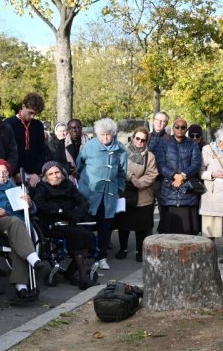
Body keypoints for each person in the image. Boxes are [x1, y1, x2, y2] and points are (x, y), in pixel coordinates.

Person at [0, 158, 46, 299]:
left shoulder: (15, 189)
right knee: (16, 223)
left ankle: (21, 286)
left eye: (5, 172)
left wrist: (29, 203)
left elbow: (33, 210)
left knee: (17, 236)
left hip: (16, 225)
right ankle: (34, 259)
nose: (2, 174)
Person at [33, 161, 96, 289]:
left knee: (88, 235)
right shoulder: (42, 187)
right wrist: (61, 211)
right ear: (46, 176)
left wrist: (76, 214)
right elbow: (40, 205)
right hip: (53, 222)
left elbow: (84, 202)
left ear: (62, 173)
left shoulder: (69, 185)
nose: (55, 176)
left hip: (71, 220)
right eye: (51, 174)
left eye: (57, 172)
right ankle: (83, 278)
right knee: (79, 235)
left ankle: (70, 272)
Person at [76, 118, 126, 270]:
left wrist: (119, 190)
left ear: (113, 134)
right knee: (86, 224)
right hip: (89, 193)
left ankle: (103, 256)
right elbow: (79, 166)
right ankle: (85, 254)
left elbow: (122, 172)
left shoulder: (120, 149)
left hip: (109, 194)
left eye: (108, 135)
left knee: (105, 226)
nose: (105, 138)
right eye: (102, 135)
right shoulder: (89, 146)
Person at [113, 126, 158, 262]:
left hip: (142, 195)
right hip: (123, 193)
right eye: (137, 138)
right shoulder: (122, 152)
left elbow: (152, 174)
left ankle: (139, 250)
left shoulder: (150, 156)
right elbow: (118, 168)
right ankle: (123, 248)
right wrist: (131, 177)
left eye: (143, 140)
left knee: (141, 227)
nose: (140, 142)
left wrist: (139, 182)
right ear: (133, 138)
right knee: (122, 224)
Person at [154, 116, 202, 235]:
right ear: (173, 128)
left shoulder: (192, 144)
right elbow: (160, 164)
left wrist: (183, 176)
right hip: (169, 189)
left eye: (183, 127)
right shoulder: (163, 143)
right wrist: (174, 176)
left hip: (188, 191)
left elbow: (196, 163)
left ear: (186, 130)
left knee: (188, 231)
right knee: (168, 231)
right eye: (177, 127)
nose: (180, 129)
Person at [4, 92, 48, 186]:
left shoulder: (38, 125)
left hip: (34, 176)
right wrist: (14, 172)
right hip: (14, 176)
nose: (32, 116)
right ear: (23, 106)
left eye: (35, 114)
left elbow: (42, 151)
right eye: (30, 112)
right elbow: (5, 152)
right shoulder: (8, 124)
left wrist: (36, 173)